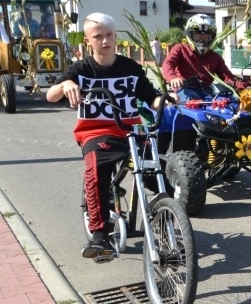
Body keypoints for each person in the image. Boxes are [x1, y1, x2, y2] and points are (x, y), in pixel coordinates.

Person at [46, 13, 168, 262]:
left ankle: (170, 219)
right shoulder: (80, 70)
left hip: (129, 131)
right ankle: (100, 236)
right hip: (95, 132)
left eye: (109, 35)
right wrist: (65, 85)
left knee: (156, 171)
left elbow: (150, 97)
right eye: (98, 36)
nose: (105, 41)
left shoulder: (130, 68)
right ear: (88, 41)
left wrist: (165, 100)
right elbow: (51, 96)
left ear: (115, 37)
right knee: (97, 171)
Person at [162, 14, 245, 100]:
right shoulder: (180, 48)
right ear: (189, 35)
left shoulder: (215, 57)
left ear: (212, 37)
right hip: (185, 90)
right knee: (194, 103)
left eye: (206, 37)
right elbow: (168, 63)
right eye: (198, 36)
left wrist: (243, 82)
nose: (202, 40)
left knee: (229, 102)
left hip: (207, 91)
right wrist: (173, 78)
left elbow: (228, 77)